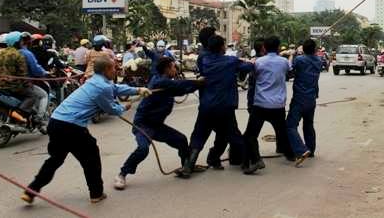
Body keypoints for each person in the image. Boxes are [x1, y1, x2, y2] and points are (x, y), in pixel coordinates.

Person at [22, 56, 151, 205]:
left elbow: (115, 88)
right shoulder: (103, 86)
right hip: (72, 126)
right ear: (106, 70)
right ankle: (96, 193)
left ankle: (31, 190)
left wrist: (138, 90)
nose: (116, 70)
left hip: (56, 122)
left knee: (55, 159)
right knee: (91, 158)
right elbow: (112, 109)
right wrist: (124, 107)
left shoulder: (96, 81)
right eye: (114, 68)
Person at [115, 57, 205, 189]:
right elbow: (179, 86)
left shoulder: (166, 83)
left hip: (156, 125)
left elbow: (181, 89)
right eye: (174, 67)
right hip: (143, 124)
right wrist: (199, 82)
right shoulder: (159, 82)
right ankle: (122, 174)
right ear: (167, 69)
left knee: (181, 140)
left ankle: (187, 166)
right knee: (143, 149)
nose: (176, 69)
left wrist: (196, 85)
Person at [185, 35, 253, 177]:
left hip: (207, 106)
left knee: (199, 135)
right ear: (222, 46)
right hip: (224, 106)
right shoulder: (230, 61)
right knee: (233, 135)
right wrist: (249, 61)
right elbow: (248, 66)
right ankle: (247, 164)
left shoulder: (204, 60)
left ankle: (189, 166)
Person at [243, 35, 294, 174]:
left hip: (260, 104)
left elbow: (252, 74)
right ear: (278, 47)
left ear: (264, 47)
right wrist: (290, 55)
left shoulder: (259, 62)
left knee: (250, 135)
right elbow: (289, 69)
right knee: (281, 131)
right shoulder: (283, 62)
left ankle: (256, 159)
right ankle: (290, 154)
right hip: (278, 105)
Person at [286, 38, 321, 167]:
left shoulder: (300, 60)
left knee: (290, 125)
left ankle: (301, 150)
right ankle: (311, 149)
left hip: (300, 97)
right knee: (308, 124)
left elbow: (289, 71)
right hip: (311, 97)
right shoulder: (318, 60)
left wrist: (292, 54)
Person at [18, 32, 50, 123]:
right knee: (43, 95)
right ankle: (39, 118)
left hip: (6, 83)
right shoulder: (27, 53)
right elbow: (36, 69)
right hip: (23, 83)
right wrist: (45, 73)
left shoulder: (3, 53)